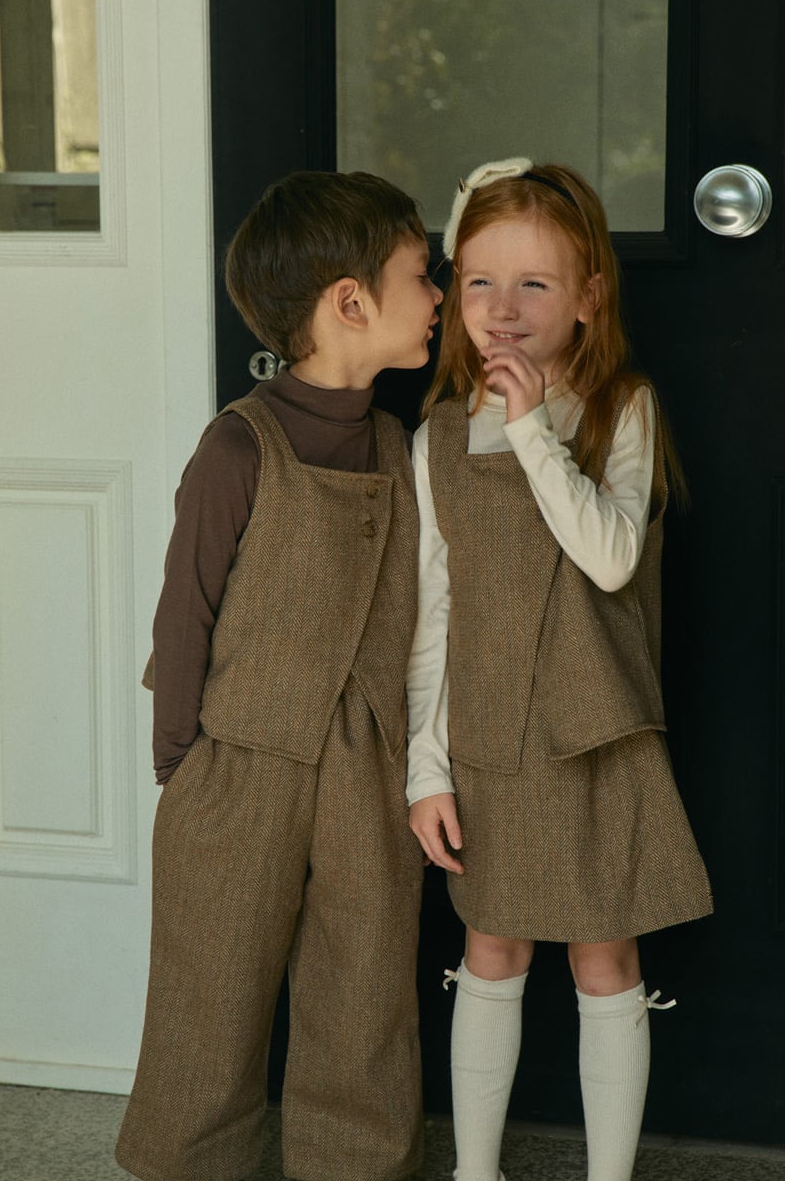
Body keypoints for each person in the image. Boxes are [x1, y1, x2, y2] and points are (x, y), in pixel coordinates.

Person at [115, 169, 443, 1181]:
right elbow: (185, 614)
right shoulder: (237, 446)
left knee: (364, 987)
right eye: (421, 274)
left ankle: (354, 1162)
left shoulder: (397, 446)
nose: (438, 294)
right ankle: (187, 1161)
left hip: (366, 768)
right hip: (241, 761)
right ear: (352, 301)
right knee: (209, 991)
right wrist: (181, 764)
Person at [406, 157, 712, 1181]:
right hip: (490, 737)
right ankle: (475, 1170)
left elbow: (610, 556)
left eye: (533, 284)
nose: (502, 309)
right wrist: (425, 769)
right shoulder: (437, 436)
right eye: (479, 282)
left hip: (593, 736)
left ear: (587, 298)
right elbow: (432, 611)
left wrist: (533, 429)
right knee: (490, 949)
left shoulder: (621, 409)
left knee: (604, 953)